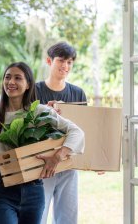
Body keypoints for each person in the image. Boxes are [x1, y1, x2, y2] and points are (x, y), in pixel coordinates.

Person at [0, 61, 84, 224]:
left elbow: (76, 132)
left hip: (34, 189)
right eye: (7, 77)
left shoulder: (40, 112)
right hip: (3, 189)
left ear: (28, 84)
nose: (11, 82)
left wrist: (57, 156)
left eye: (18, 78)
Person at [36, 42, 86, 224]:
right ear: (49, 61)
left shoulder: (78, 93)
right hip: (41, 164)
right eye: (61, 61)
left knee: (68, 217)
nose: (65, 66)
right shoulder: (34, 91)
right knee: (38, 216)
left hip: (68, 165)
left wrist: (96, 162)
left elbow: (84, 130)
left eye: (70, 62)